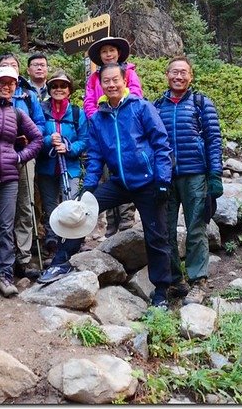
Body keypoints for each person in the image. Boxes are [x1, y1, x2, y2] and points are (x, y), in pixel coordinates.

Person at [78, 63, 174, 307]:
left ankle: (162, 289)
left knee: (156, 235)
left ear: (124, 81)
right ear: (100, 84)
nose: (111, 85)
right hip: (120, 182)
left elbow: (162, 144)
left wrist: (162, 180)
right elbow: (96, 155)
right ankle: (60, 260)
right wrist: (89, 185)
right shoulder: (99, 117)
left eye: (115, 80)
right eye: (106, 81)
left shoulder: (141, 107)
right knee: (86, 208)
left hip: (148, 181)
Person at [153, 55, 223, 305]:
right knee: (165, 229)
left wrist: (215, 175)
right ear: (167, 75)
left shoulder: (201, 103)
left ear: (191, 76)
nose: (178, 76)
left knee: (195, 228)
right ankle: (175, 280)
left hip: (195, 174)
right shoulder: (157, 105)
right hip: (166, 177)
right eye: (174, 72)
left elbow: (214, 140)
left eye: (183, 72)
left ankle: (198, 281)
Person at [0, 66, 43, 299]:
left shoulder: (17, 113)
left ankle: (4, 275)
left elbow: (37, 139)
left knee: (4, 228)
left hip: (10, 177)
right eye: (2, 82)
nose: (6, 86)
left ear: (15, 87)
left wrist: (20, 157)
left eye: (11, 83)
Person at [83, 36, 143, 234]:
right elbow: (89, 101)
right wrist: (97, 118)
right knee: (108, 174)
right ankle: (111, 223)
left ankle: (126, 220)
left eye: (111, 50)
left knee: (125, 168)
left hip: (125, 127)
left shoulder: (129, 72)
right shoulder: (94, 78)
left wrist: (121, 111)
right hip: (103, 127)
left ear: (118, 53)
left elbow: (135, 94)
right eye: (104, 51)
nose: (108, 54)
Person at [34, 70, 88, 267]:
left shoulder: (76, 113)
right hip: (47, 167)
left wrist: (70, 148)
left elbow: (85, 140)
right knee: (50, 207)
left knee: (70, 204)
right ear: (49, 89)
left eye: (63, 86)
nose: (58, 89)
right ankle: (53, 244)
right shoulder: (41, 110)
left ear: (69, 90)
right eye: (55, 86)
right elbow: (36, 134)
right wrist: (49, 140)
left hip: (70, 167)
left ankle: (72, 244)